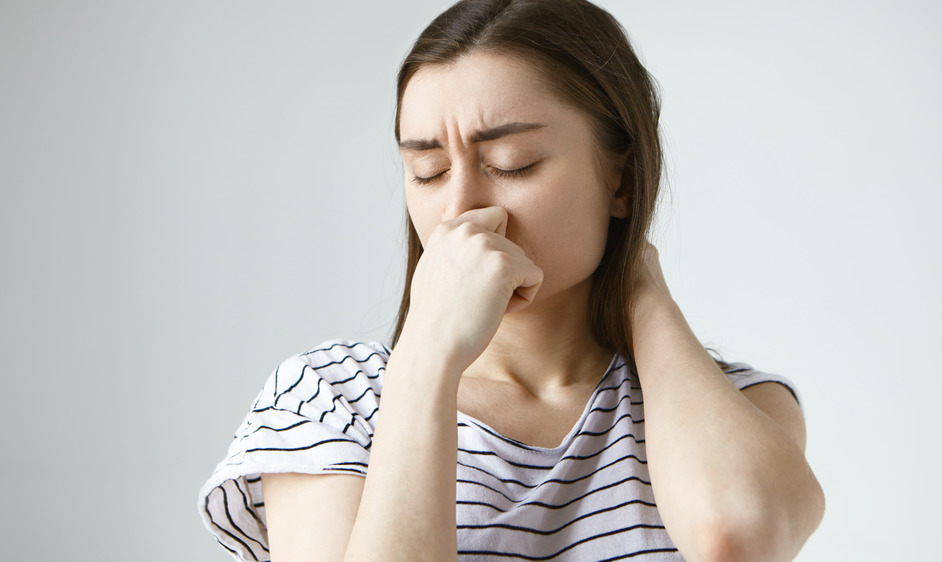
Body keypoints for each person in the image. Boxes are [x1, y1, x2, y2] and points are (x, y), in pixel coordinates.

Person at [198, 0, 825, 560]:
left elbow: (740, 539)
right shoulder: (328, 400)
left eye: (510, 164)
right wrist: (428, 357)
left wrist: (641, 280)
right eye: (428, 169)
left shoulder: (740, 404)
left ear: (622, 180)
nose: (460, 209)